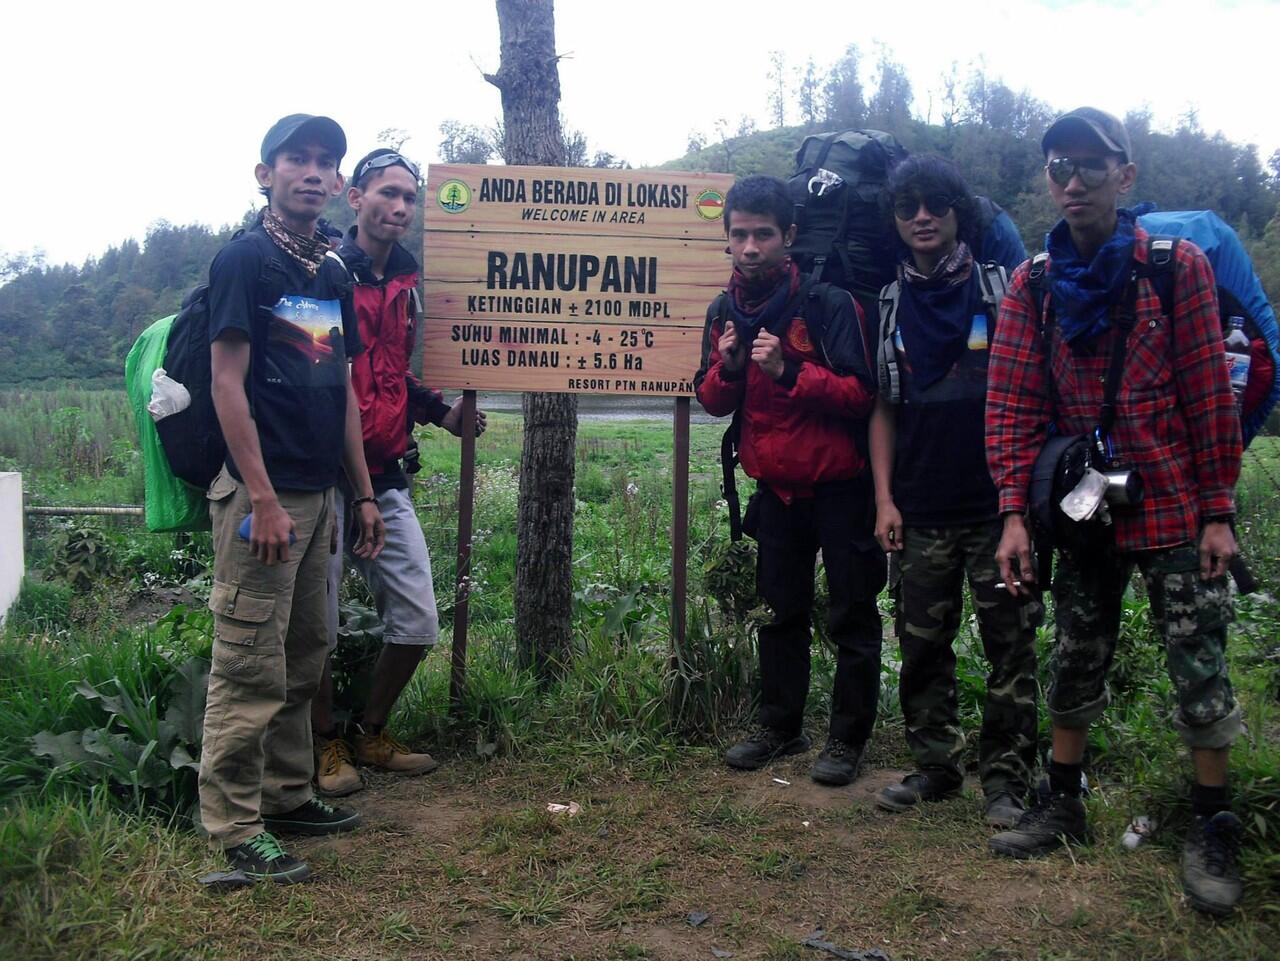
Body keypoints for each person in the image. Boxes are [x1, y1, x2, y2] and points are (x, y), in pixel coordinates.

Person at [985, 108, 1245, 915]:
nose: (1072, 182)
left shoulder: (1176, 268)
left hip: (1171, 502)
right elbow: (1012, 404)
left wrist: (1219, 512)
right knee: (1074, 652)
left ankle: (1213, 825)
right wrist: (1014, 515)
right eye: (1059, 166)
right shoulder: (1034, 284)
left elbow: (1210, 395)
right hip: (1084, 508)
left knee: (1197, 667)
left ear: (1125, 177)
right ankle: (1063, 800)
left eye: (1091, 167)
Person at [199, 114, 386, 885]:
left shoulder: (330, 274)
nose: (313, 172)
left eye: (326, 163)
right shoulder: (245, 261)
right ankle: (235, 828)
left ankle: (285, 793)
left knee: (305, 652)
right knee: (247, 660)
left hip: (318, 497)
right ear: (265, 173)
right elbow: (226, 384)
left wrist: (363, 493)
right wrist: (265, 497)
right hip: (261, 495)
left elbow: (337, 386)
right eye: (297, 160)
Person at [695, 174, 885, 786]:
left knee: (852, 617)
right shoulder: (723, 310)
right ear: (726, 240)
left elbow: (862, 397)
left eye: (764, 235)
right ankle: (781, 726)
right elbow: (713, 400)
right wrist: (727, 371)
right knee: (780, 614)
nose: (751, 247)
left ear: (790, 237)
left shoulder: (829, 305)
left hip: (842, 489)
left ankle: (848, 741)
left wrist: (786, 371)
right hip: (773, 491)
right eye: (740, 235)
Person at [869, 155, 1040, 829]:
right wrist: (884, 498)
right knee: (921, 646)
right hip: (920, 506)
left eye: (935, 205)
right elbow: (883, 407)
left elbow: (1031, 395)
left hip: (1000, 508)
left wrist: (1020, 506)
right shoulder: (889, 302)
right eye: (908, 207)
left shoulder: (1006, 289)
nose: (921, 217)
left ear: (956, 212)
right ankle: (936, 765)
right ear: (896, 220)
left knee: (1010, 646)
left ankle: (1005, 780)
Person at [310, 148, 487, 796]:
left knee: (417, 619)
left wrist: (439, 412)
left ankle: (370, 730)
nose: (400, 207)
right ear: (353, 198)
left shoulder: (407, 284)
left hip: (385, 472)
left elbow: (389, 375)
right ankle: (324, 742)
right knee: (317, 625)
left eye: (409, 197)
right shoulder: (323, 272)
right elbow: (319, 376)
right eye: (387, 193)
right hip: (324, 476)